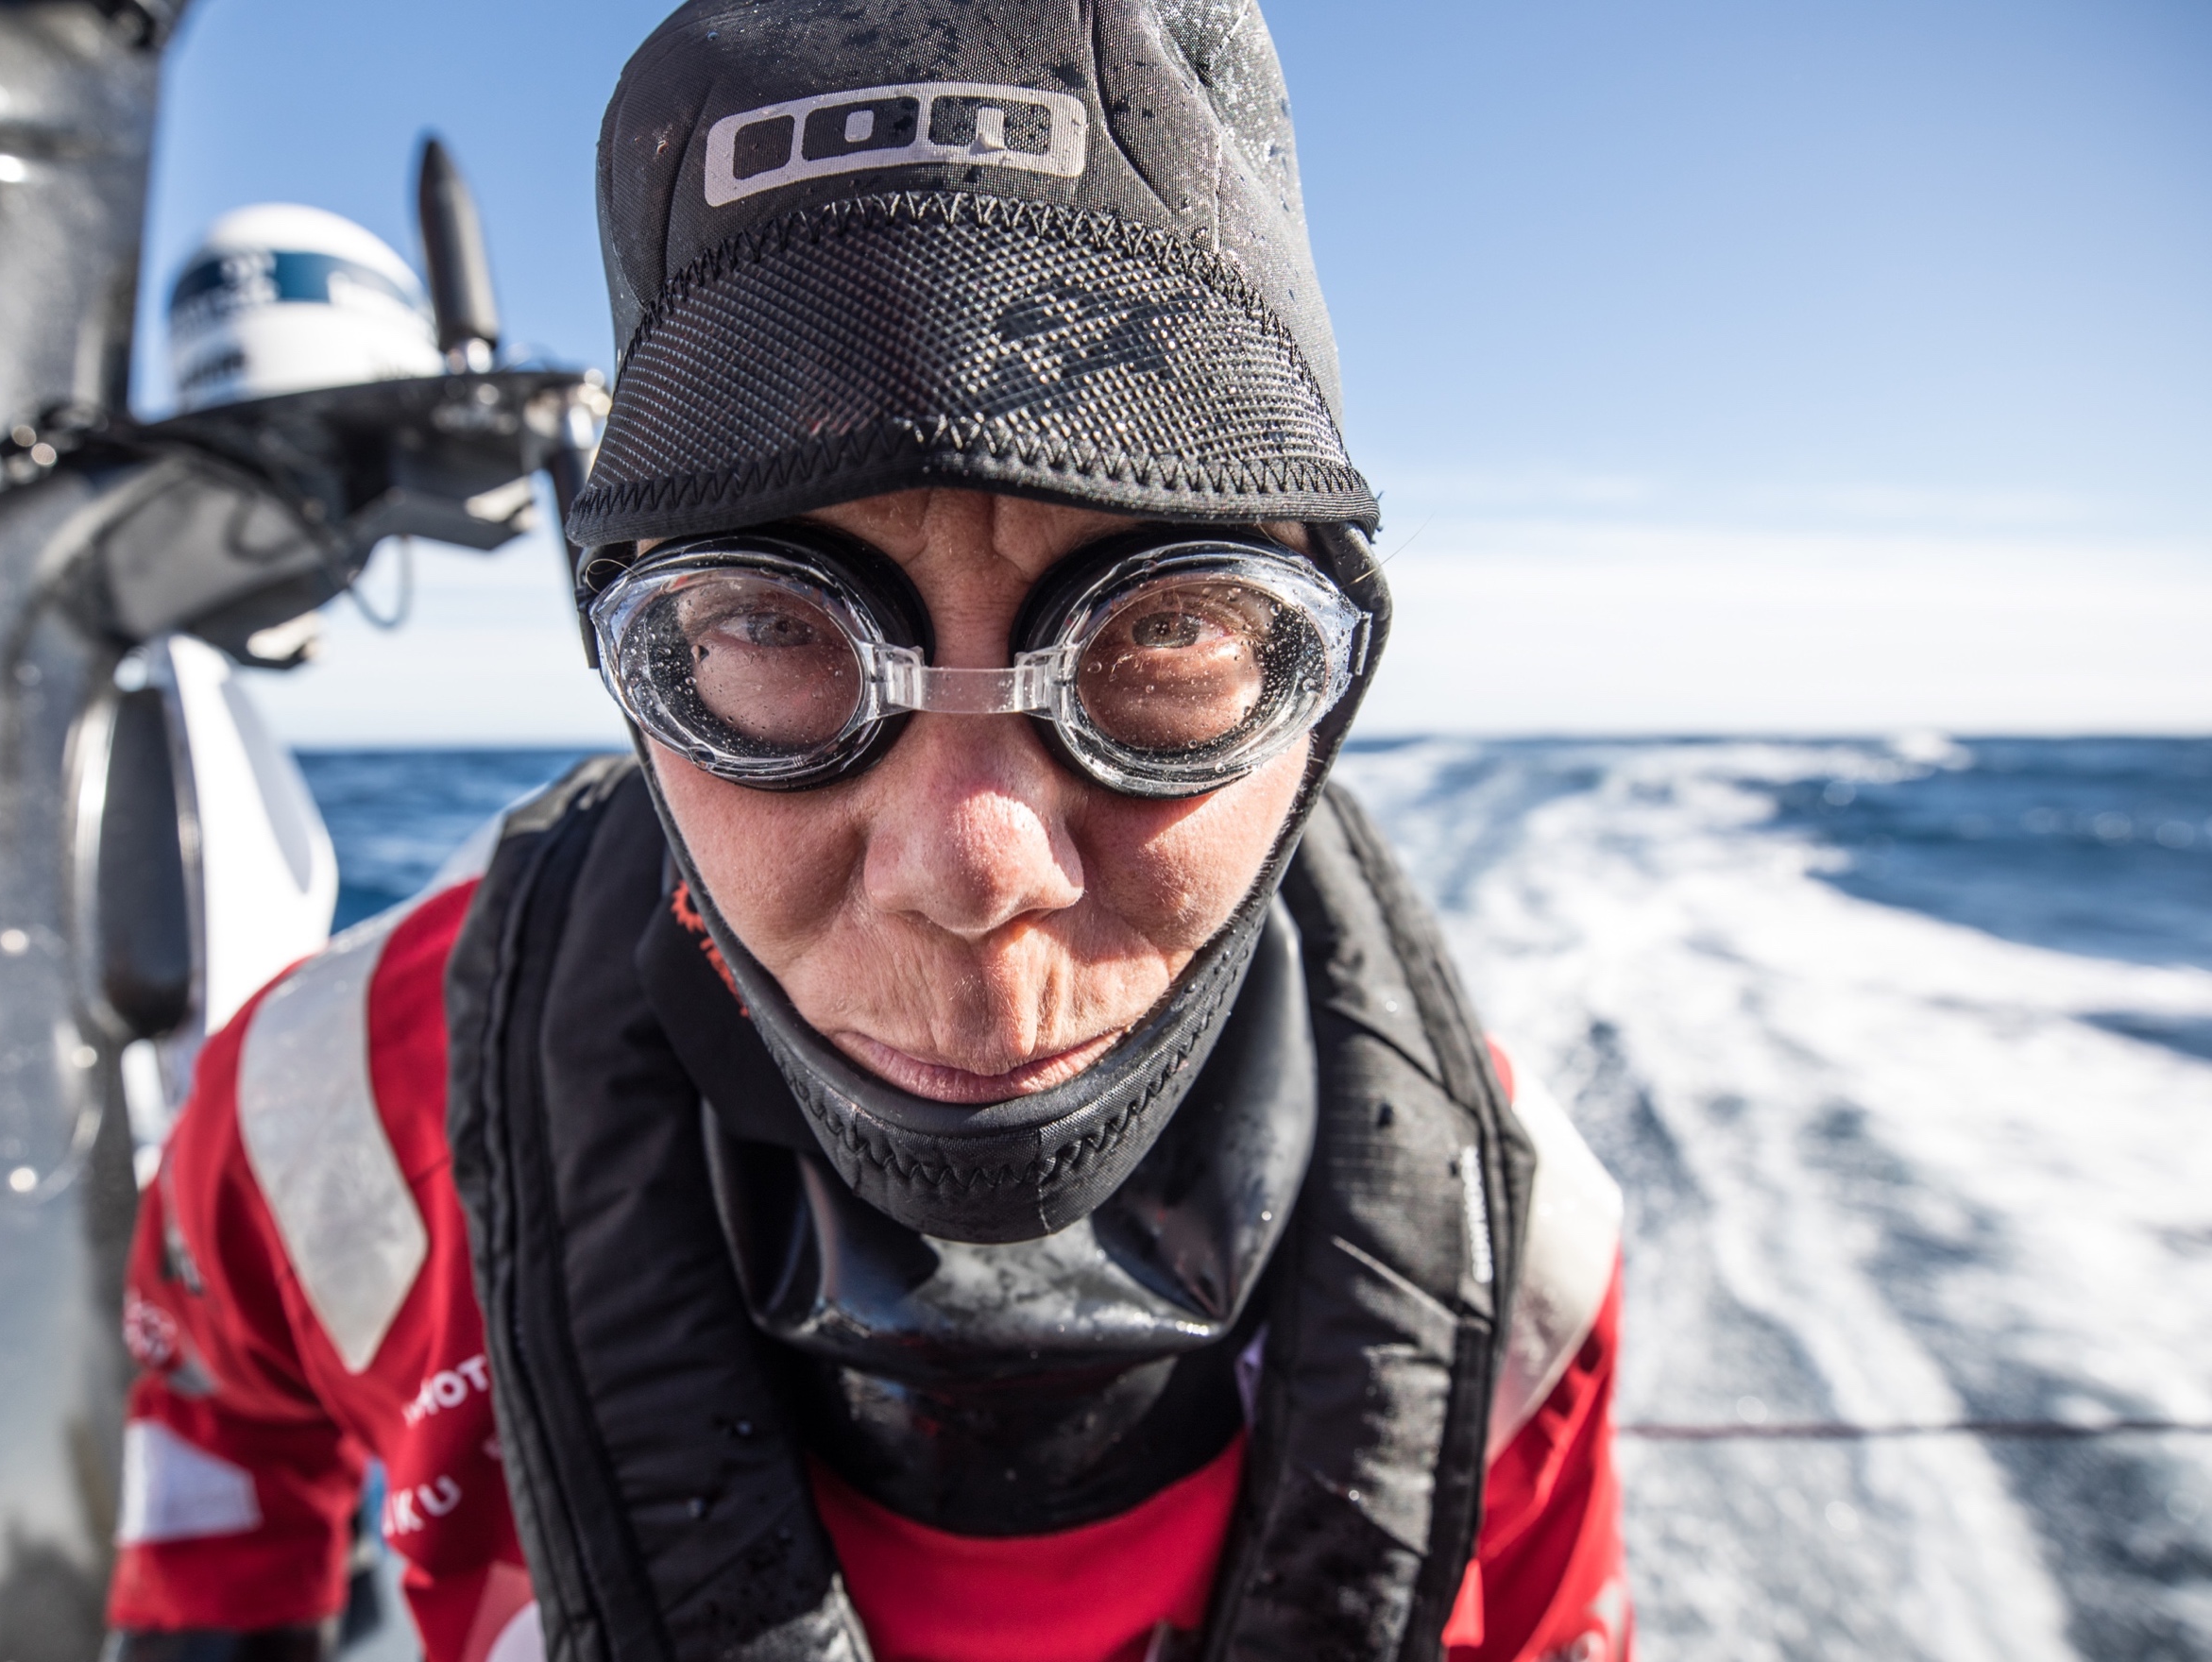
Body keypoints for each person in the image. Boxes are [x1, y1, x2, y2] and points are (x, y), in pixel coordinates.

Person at [103, 3, 1631, 1659]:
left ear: (1321, 678)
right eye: (774, 628)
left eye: (1168, 632)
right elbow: (218, 1469)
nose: (971, 869)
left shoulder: (1517, 1260)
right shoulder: (315, 1122)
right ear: (641, 665)